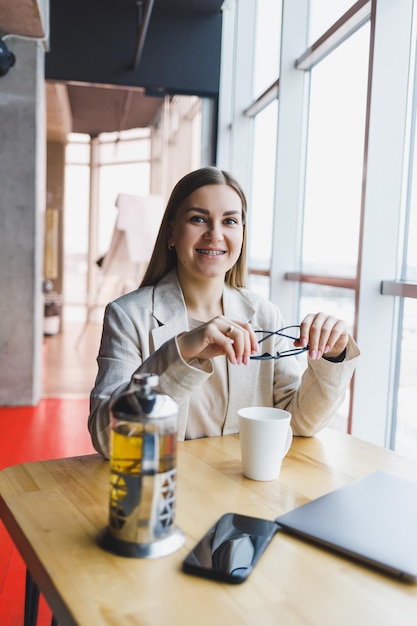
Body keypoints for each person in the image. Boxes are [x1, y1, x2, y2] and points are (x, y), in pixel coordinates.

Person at [89, 167, 360, 458]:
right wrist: (182, 352)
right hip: (164, 486)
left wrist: (333, 356)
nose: (215, 234)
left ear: (241, 235)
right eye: (198, 219)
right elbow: (108, 441)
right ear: (171, 232)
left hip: (239, 489)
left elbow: (300, 422)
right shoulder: (127, 315)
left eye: (229, 221)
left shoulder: (265, 315)